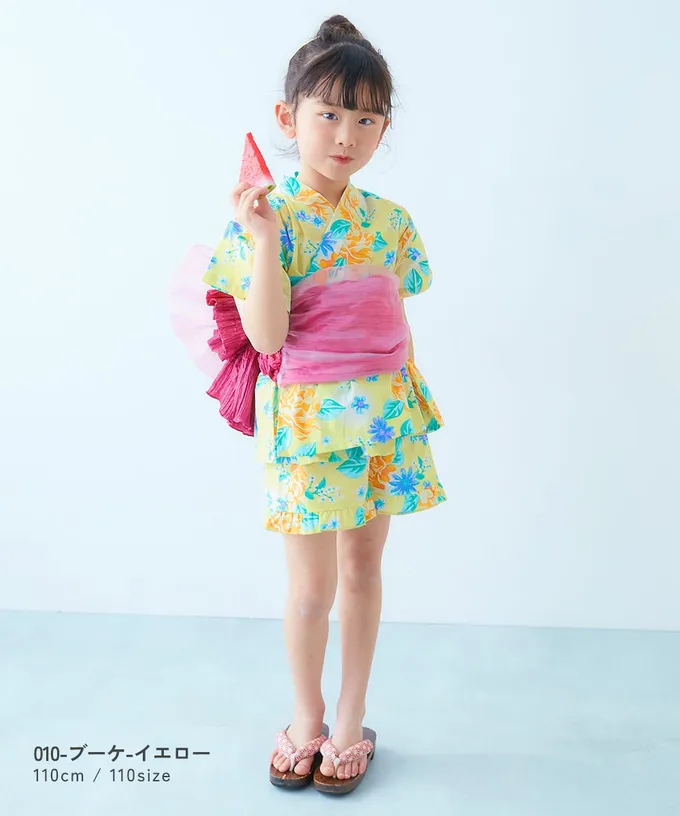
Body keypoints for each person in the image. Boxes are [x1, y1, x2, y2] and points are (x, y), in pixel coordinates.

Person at [187, 13, 447, 795]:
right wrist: (266, 240)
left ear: (384, 128)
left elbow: (395, 314)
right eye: (329, 113)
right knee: (309, 587)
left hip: (385, 415)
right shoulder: (263, 218)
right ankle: (306, 721)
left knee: (363, 570)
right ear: (287, 117)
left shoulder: (392, 223)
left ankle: (348, 723)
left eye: (367, 119)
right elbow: (268, 336)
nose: (346, 134)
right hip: (305, 421)